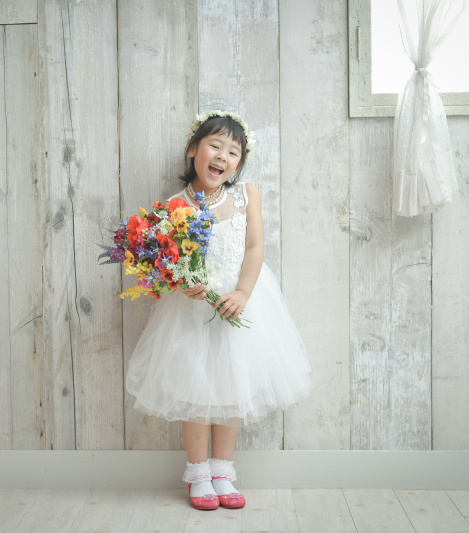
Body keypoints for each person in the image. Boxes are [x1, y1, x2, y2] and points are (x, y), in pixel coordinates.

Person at [124, 111, 314, 511]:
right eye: (215, 145)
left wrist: (243, 292)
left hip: (238, 302)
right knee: (195, 389)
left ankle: (223, 469)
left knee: (231, 387)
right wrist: (179, 283)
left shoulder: (245, 196)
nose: (222, 157)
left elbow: (255, 247)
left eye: (233, 152)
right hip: (191, 312)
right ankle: (198, 472)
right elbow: (166, 262)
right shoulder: (174, 206)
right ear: (194, 149)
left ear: (239, 164)